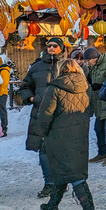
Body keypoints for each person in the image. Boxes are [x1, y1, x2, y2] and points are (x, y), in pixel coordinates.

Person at [28, 59, 94, 210]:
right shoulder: (86, 87)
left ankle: (89, 207)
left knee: (72, 174)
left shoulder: (54, 88)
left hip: (58, 136)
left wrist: (40, 134)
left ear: (60, 70)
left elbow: (45, 115)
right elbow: (90, 110)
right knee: (66, 170)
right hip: (79, 134)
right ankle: (52, 204)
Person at [21, 37, 65, 198]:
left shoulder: (67, 66)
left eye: (55, 46)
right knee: (44, 149)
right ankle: (49, 183)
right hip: (41, 113)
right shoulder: (36, 67)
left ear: (61, 48)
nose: (51, 48)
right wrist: (32, 98)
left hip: (62, 114)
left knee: (61, 150)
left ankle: (61, 182)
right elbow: (25, 86)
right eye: (49, 46)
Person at [85, 47, 106, 165]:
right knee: (98, 129)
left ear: (94, 58)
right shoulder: (93, 66)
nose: (87, 63)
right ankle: (102, 152)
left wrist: (102, 85)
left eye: (88, 60)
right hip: (98, 102)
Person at [0, 57, 11, 137]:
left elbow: (4, 84)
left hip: (2, 94)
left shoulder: (4, 71)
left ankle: (4, 128)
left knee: (2, 110)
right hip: (2, 93)